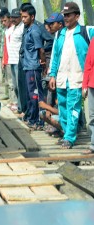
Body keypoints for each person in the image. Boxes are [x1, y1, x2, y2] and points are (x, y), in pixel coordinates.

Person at [49, 2, 94, 149]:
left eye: (68, 15)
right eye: (64, 15)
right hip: (62, 78)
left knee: (73, 108)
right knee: (63, 109)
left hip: (77, 78)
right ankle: (67, 133)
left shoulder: (86, 31)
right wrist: (52, 75)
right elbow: (55, 57)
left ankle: (69, 137)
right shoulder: (59, 34)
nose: (65, 18)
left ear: (77, 16)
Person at [21, 5, 46, 130]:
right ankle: (33, 118)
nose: (23, 19)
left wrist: (43, 64)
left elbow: (40, 49)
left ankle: (38, 121)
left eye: (25, 17)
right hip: (28, 66)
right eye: (22, 17)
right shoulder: (28, 29)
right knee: (31, 95)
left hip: (33, 67)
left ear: (32, 16)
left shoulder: (35, 31)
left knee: (36, 95)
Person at [8, 8, 24, 115]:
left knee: (20, 85)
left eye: (16, 17)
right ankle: (19, 105)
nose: (13, 19)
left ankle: (22, 107)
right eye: (12, 17)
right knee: (15, 85)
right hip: (12, 60)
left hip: (19, 61)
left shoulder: (22, 28)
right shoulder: (12, 28)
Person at [82, 38, 94, 153]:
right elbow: (88, 64)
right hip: (92, 85)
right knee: (91, 117)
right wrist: (84, 85)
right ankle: (93, 144)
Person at [0, 7, 10, 100]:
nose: (1, 20)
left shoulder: (9, 27)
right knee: (4, 74)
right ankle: (6, 93)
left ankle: (10, 94)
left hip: (9, 55)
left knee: (10, 76)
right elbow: (0, 41)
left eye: (3, 17)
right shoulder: (2, 27)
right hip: (2, 53)